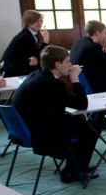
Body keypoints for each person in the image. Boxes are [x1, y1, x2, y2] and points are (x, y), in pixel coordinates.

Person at [11, 45, 98, 183]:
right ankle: (72, 172)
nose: (70, 65)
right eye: (67, 62)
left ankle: (76, 165)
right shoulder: (52, 84)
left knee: (80, 122)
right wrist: (75, 79)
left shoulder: (35, 75)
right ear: (57, 64)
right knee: (90, 131)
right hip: (40, 133)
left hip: (24, 129)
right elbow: (81, 104)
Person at [0, 10, 49, 77]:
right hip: (12, 70)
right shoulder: (25, 36)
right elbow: (37, 55)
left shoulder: (30, 34)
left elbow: (36, 57)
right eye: (35, 20)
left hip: (20, 66)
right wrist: (45, 41)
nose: (39, 23)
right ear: (28, 22)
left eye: (40, 21)